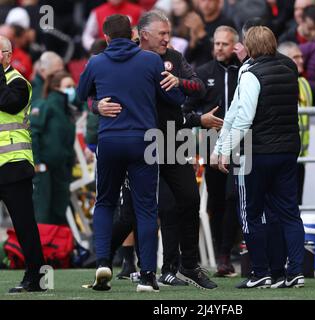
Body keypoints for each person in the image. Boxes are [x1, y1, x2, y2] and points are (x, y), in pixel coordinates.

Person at [97, 10, 218, 290]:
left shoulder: (174, 58)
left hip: (174, 141)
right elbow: (96, 96)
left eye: (168, 33)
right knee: (151, 208)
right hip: (141, 144)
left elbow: (198, 88)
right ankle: (118, 262)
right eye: (162, 33)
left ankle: (188, 265)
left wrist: (180, 82)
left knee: (188, 199)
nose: (167, 38)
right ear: (144, 35)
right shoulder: (129, 59)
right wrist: (97, 106)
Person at [77, 14, 185, 293]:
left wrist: (97, 105)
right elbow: (173, 96)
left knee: (105, 203)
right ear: (133, 35)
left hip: (110, 140)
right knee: (146, 207)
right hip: (144, 141)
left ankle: (103, 261)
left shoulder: (96, 62)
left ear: (106, 38)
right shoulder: (150, 61)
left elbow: (80, 94)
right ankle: (148, 275)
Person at [211, 26, 305, 289]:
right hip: (287, 150)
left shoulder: (250, 72)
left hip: (258, 152)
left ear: (249, 47)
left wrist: (223, 148)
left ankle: (260, 271)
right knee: (287, 213)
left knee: (251, 213)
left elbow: (240, 117)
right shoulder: (289, 68)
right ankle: (291, 271)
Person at [183, 25, 242, 277]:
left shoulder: (245, 70)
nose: (219, 48)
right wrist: (201, 119)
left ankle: (227, 252)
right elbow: (187, 110)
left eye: (224, 44)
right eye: (216, 43)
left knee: (234, 198)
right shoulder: (203, 72)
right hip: (212, 145)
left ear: (235, 45)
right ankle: (222, 254)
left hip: (242, 145)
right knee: (217, 202)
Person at [0, 35, 45, 293]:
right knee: (24, 224)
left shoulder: (19, 82)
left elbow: (6, 102)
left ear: (7, 55)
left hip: (14, 165)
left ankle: (35, 277)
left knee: (24, 225)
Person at [30, 71, 77, 226]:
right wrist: (37, 163)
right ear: (56, 87)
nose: (72, 89)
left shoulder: (67, 111)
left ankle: (56, 249)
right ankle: (41, 248)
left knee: (59, 213)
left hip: (61, 170)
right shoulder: (44, 105)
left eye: (73, 86)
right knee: (43, 213)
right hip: (44, 169)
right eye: (68, 86)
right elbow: (33, 133)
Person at [278, 41, 313, 204]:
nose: (300, 60)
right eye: (295, 57)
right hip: (283, 154)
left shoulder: (304, 83)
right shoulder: (277, 83)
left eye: (301, 56)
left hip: (300, 157)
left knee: (296, 203)